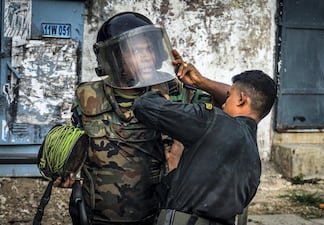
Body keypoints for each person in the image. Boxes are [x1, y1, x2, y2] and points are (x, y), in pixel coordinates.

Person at [51, 12, 212, 225]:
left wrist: (202, 82)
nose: (146, 56)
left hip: (157, 216)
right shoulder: (87, 96)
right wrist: (66, 171)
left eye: (149, 49)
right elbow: (75, 144)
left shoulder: (178, 94)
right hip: (97, 217)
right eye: (136, 50)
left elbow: (238, 108)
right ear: (115, 57)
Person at [132, 58, 277, 225]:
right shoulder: (255, 162)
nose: (222, 104)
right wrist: (175, 170)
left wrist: (158, 89)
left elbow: (144, 106)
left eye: (228, 97)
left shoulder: (213, 121)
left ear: (241, 99)